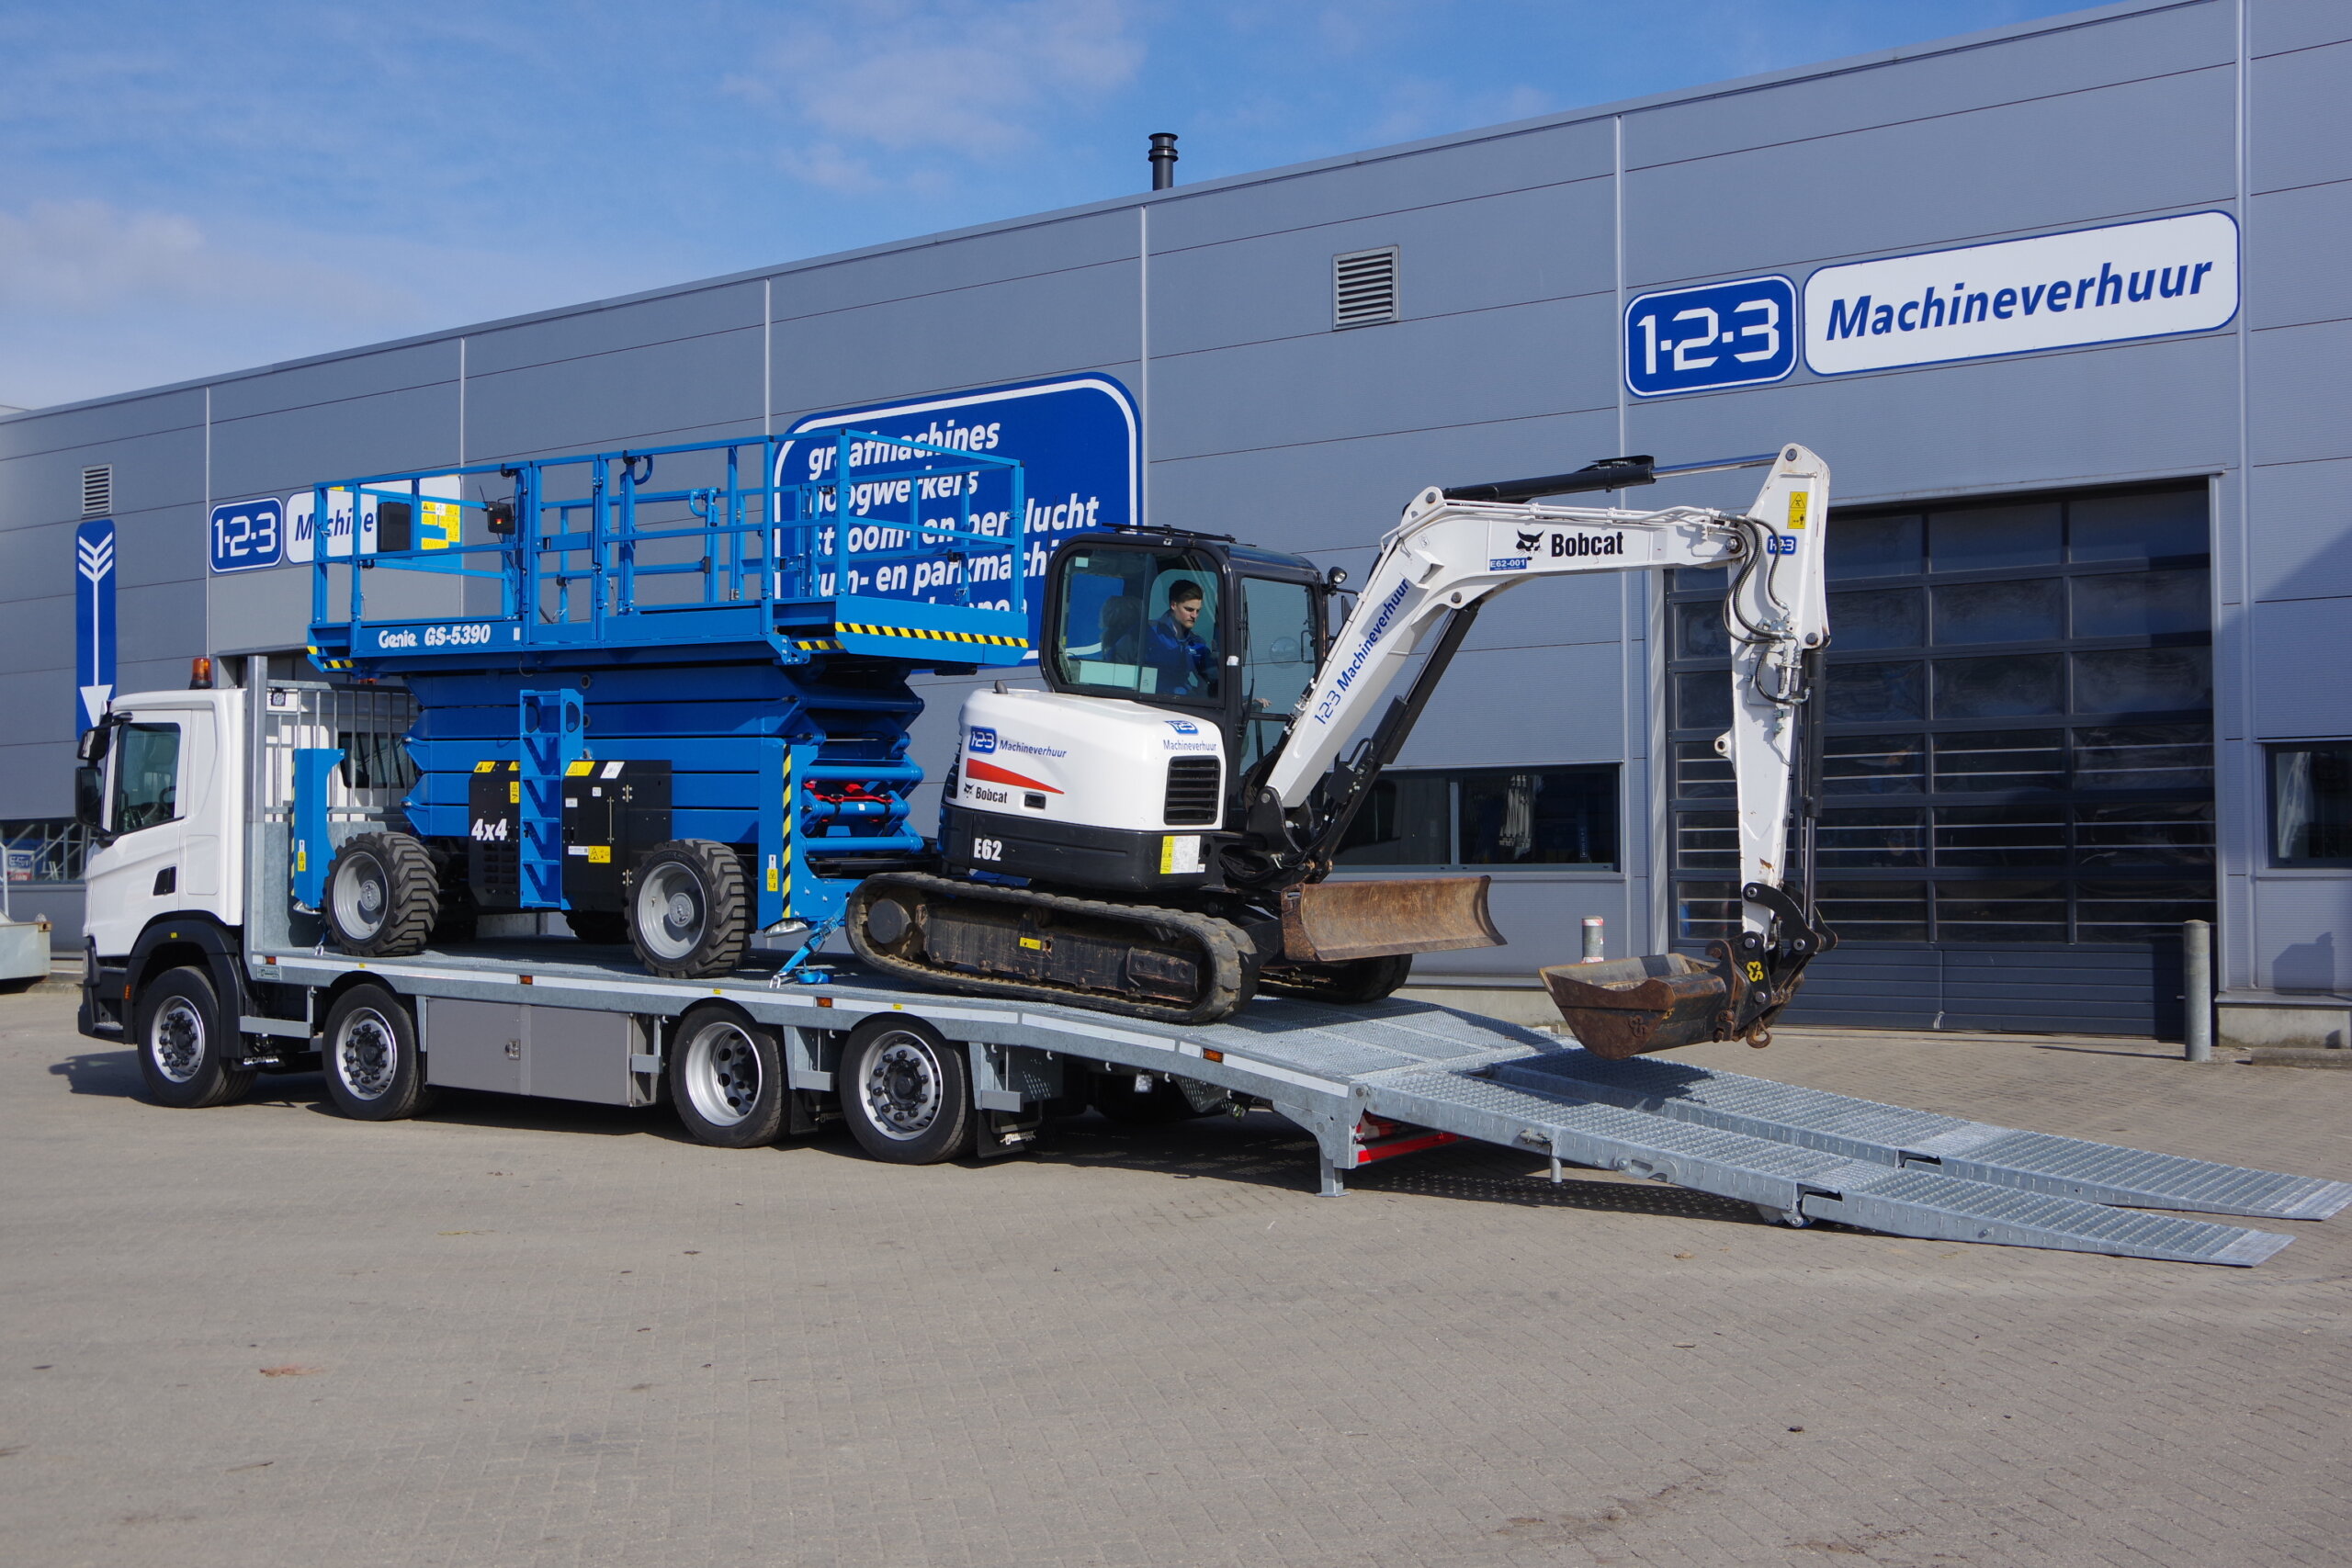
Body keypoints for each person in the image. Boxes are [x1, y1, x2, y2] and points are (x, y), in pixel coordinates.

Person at [1143, 579, 1216, 694]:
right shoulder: (1148, 632)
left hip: (1182, 704)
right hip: (1148, 703)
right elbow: (1118, 661)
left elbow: (1213, 677)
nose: (1194, 616)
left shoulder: (1197, 643)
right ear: (1173, 605)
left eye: (1198, 611)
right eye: (1189, 609)